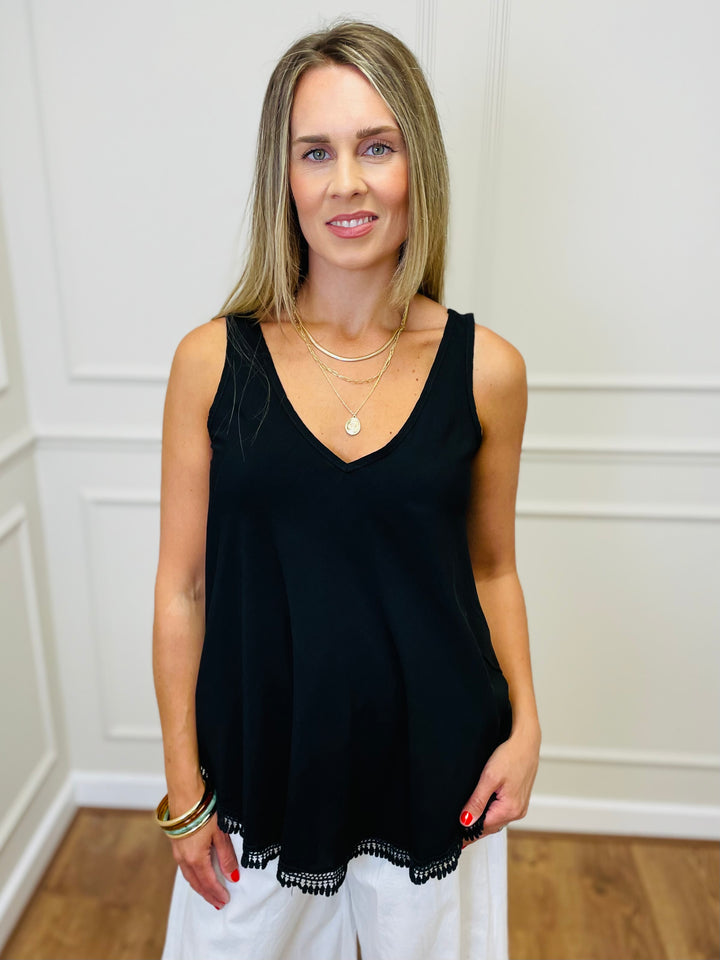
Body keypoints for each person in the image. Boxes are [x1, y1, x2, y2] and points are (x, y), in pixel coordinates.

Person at [153, 18, 540, 960]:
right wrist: (185, 789)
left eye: (377, 146)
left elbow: (492, 570)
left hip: (438, 775)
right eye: (316, 152)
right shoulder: (212, 362)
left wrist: (527, 728)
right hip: (256, 779)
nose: (347, 183)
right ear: (283, 178)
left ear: (418, 165)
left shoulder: (488, 369)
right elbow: (182, 588)